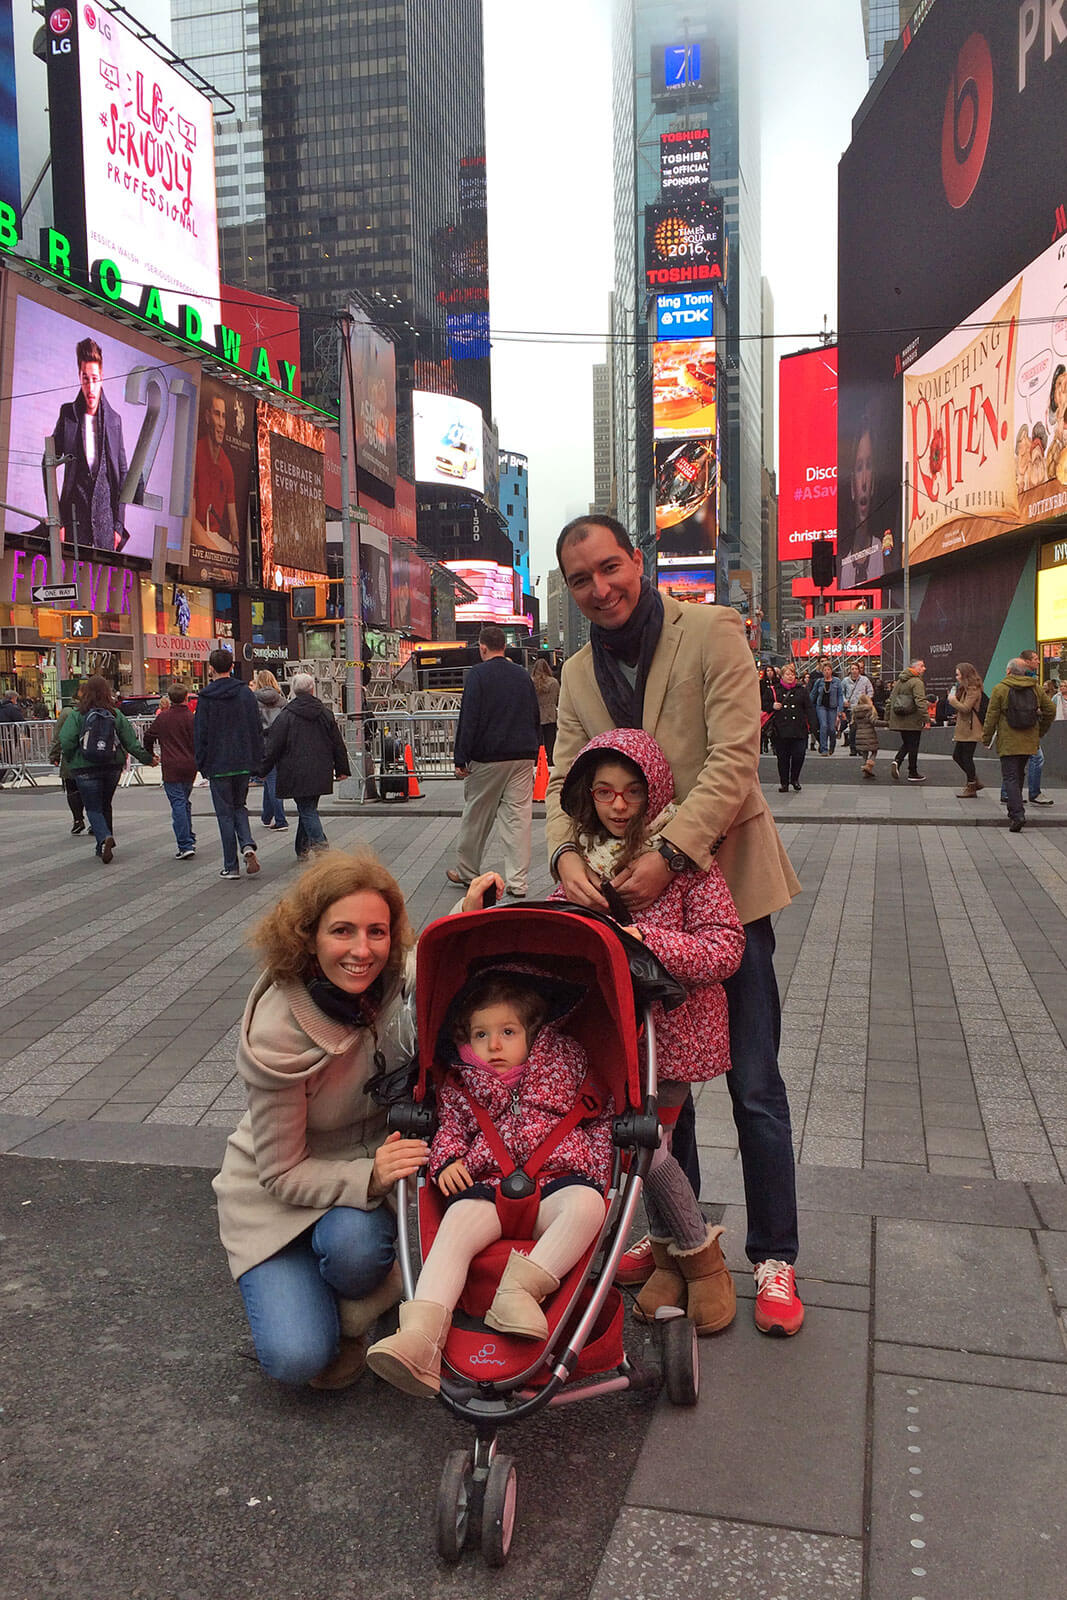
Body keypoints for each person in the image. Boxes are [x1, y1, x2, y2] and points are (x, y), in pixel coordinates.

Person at [546, 514, 805, 1337]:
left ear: (638, 561)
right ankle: (677, 1240)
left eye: (610, 567)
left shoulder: (711, 631)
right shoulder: (579, 671)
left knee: (753, 1084)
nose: (600, 588)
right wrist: (562, 861)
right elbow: (561, 781)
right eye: (581, 579)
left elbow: (734, 758)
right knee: (662, 1091)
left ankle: (773, 1258)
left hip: (728, 883)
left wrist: (668, 852)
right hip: (632, 914)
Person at [211, 852, 495, 1391]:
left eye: (377, 932)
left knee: (356, 1251)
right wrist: (369, 1177)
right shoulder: (279, 1033)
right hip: (281, 1193)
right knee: (297, 1361)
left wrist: (466, 911)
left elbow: (428, 961)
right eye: (342, 931)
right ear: (309, 935)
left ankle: (349, 1293)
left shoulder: (384, 979)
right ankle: (321, 1288)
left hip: (360, 1188)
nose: (362, 951)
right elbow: (279, 1174)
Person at [555, 729, 745, 1333]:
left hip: (677, 1034)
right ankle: (669, 1258)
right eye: (604, 792)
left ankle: (704, 1262)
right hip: (615, 1035)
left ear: (653, 793)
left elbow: (726, 948)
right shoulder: (581, 864)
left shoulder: (686, 863)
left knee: (647, 1145)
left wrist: (647, 944)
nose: (617, 806)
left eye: (632, 794)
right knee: (637, 1144)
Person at [366, 970, 614, 1397]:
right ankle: (420, 1338)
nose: (494, 1045)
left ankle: (520, 1291)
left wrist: (595, 1163)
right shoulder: (462, 1082)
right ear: (466, 1037)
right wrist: (445, 1160)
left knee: (590, 1207)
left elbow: (601, 1114)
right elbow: (449, 1129)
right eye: (481, 1034)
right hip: (488, 1187)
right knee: (455, 1226)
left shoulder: (567, 1063)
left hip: (560, 1180)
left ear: (533, 1033)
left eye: (507, 1032)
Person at [447, 624, 541, 899]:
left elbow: (470, 717)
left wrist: (460, 757)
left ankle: (467, 871)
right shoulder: (522, 675)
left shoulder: (478, 675)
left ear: (482, 647)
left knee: (477, 815)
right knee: (518, 819)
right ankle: (518, 882)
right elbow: (534, 714)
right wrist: (534, 750)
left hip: (488, 757)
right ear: (504, 646)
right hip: (522, 756)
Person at [47, 337, 131, 553]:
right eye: (86, 379)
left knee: (102, 587)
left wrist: (118, 527)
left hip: (106, 531)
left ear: (102, 377)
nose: (91, 387)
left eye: (95, 378)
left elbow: (123, 476)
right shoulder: (68, 415)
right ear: (79, 378)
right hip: (72, 527)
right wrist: (58, 520)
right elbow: (47, 464)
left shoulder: (114, 420)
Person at [58, 675, 154, 862]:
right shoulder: (115, 715)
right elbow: (131, 742)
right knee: (105, 804)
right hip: (112, 766)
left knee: (92, 807)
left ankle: (104, 838)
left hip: (85, 767)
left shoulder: (77, 715)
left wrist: (72, 759)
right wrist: (147, 759)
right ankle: (102, 844)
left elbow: (66, 740)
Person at [262, 673, 351, 860]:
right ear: (312, 689)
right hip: (320, 770)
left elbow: (274, 746)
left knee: (307, 809)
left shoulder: (286, 716)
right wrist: (342, 768)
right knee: (308, 808)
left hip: (295, 772)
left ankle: (322, 849)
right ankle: (301, 850)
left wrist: (262, 769)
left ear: (294, 691)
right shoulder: (325, 713)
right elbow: (337, 742)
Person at [193, 649, 264, 880]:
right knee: (239, 807)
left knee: (224, 814)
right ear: (232, 666)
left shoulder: (205, 697)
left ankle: (231, 866)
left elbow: (201, 733)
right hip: (243, 761)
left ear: (211, 668)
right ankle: (247, 844)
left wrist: (202, 763)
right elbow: (256, 728)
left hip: (218, 763)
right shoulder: (245, 693)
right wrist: (257, 759)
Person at [983, 658, 1056, 832]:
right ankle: (1014, 810)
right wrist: (1040, 731)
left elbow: (991, 716)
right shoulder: (1036, 688)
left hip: (1008, 740)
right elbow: (1051, 710)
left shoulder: (1000, 689)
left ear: (1008, 671)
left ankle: (1017, 814)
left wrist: (986, 738)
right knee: (1018, 773)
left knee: (1010, 777)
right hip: (1029, 739)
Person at [144, 685, 199, 859]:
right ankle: (189, 836)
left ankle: (185, 844)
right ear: (186, 698)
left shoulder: (164, 718)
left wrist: (150, 753)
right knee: (184, 800)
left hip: (171, 765)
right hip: (190, 765)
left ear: (170, 698)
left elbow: (148, 736)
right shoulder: (192, 718)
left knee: (178, 802)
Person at [190, 392, 240, 556]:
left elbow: (233, 523)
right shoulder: (195, 453)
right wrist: (218, 556)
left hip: (216, 543)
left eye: (224, 417)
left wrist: (235, 548)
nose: (221, 424)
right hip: (194, 541)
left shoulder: (227, 467)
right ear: (207, 417)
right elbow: (189, 521)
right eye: (217, 414)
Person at [767, 662, 816, 792]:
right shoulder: (775, 690)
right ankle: (784, 782)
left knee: (799, 755)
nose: (790, 676)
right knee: (783, 758)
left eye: (792, 674)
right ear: (782, 676)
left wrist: (813, 725)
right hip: (781, 729)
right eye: (787, 674)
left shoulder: (801, 690)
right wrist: (772, 705)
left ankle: (795, 778)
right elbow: (763, 704)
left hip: (798, 728)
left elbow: (809, 708)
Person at [253, 670, 288, 830]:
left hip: (263, 743)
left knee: (271, 779)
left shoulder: (253, 700)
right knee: (271, 778)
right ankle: (267, 816)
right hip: (279, 743)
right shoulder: (282, 700)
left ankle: (281, 820)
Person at [886, 659, 929, 783]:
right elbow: (920, 701)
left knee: (907, 743)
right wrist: (926, 719)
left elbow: (890, 700)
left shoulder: (900, 681)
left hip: (899, 719)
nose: (924, 668)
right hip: (913, 720)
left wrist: (888, 718)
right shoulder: (917, 682)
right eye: (922, 666)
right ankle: (912, 772)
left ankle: (897, 761)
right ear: (914, 668)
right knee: (913, 745)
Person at [947, 663, 985, 799]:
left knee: (965, 757)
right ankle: (974, 781)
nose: (956, 677)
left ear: (965, 675)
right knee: (958, 755)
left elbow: (966, 708)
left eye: (958, 674)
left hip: (971, 729)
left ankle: (972, 785)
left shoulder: (973, 690)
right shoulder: (965, 689)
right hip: (965, 728)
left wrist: (952, 701)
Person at [48, 704, 85, 834]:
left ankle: (78, 820)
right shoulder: (105, 708)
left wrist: (54, 755)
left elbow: (59, 737)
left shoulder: (68, 712)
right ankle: (97, 822)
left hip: (73, 758)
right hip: (99, 759)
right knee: (96, 792)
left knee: (72, 789)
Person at [530, 657, 560, 765]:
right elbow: (558, 698)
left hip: (536, 716)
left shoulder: (531, 682)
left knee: (537, 742)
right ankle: (551, 761)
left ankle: (537, 762)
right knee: (550, 741)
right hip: (551, 715)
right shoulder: (554, 682)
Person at [812, 664, 845, 755]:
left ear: (831, 670)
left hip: (832, 707)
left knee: (831, 728)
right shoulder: (819, 682)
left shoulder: (837, 681)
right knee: (823, 726)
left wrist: (840, 709)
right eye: (825, 670)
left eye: (828, 669)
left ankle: (832, 745)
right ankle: (824, 748)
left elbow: (840, 695)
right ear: (822, 671)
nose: (827, 671)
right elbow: (813, 694)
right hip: (821, 706)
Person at [841, 663, 874, 755]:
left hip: (862, 708)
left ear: (859, 670)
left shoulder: (865, 680)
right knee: (853, 728)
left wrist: (867, 700)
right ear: (850, 670)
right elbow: (841, 692)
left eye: (856, 669)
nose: (854, 670)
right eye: (852, 669)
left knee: (861, 729)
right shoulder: (845, 681)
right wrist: (844, 701)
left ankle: (861, 748)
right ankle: (853, 748)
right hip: (851, 708)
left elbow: (870, 691)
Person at [851, 692, 879, 778]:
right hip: (870, 734)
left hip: (859, 735)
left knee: (864, 752)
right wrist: (887, 723)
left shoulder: (855, 711)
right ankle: (869, 765)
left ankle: (866, 769)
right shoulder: (869, 710)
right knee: (874, 751)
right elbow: (874, 722)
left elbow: (854, 724)